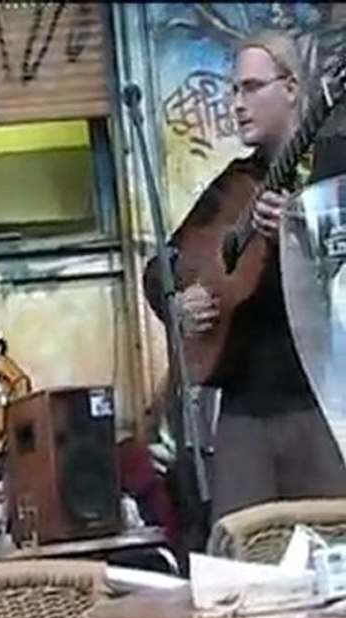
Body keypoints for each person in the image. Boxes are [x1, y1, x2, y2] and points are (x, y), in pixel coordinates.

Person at [144, 30, 346, 526]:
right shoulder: (234, 185)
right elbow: (163, 265)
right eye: (234, 90)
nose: (237, 104)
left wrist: (300, 235)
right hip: (244, 411)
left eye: (252, 88)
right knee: (240, 560)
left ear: (294, 89)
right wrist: (177, 301)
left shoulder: (338, 167)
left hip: (325, 404)